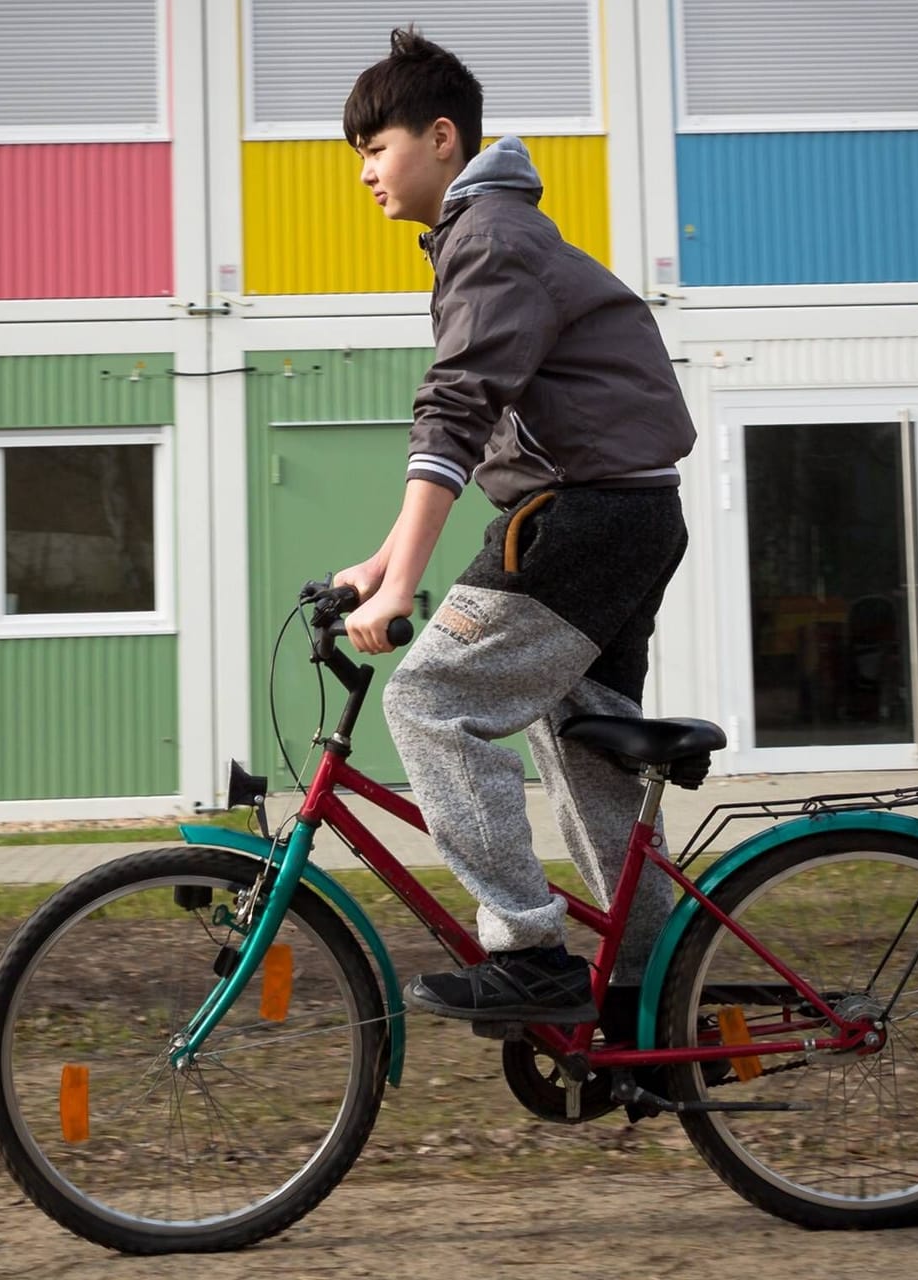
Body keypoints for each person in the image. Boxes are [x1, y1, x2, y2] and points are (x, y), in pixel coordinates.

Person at [334, 28, 696, 1027]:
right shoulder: (487, 237)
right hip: (616, 512)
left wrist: (404, 588)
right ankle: (654, 986)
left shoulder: (490, 238)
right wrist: (384, 559)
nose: (364, 172)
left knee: (427, 702)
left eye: (375, 146)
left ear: (441, 137)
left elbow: (452, 413)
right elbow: (481, 424)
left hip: (589, 518)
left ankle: (529, 947)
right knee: (586, 748)